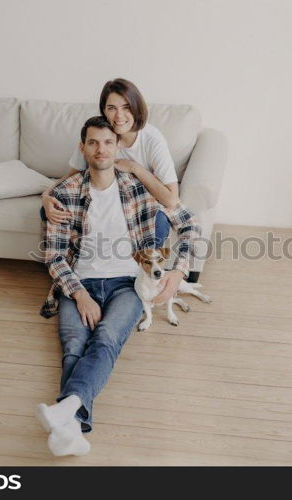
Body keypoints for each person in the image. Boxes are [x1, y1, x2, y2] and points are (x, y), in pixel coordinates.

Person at [36, 116, 200, 457]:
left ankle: (66, 412)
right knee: (73, 343)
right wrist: (79, 294)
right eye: (93, 143)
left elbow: (188, 225)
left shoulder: (138, 189)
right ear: (82, 148)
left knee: (107, 337)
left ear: (118, 146)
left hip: (127, 284)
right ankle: (73, 426)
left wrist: (179, 272)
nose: (101, 149)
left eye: (108, 142)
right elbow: (54, 257)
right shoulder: (66, 193)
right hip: (79, 282)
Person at [40, 78, 179, 228]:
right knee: (48, 211)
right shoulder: (97, 134)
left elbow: (172, 200)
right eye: (112, 108)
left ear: (136, 108)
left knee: (157, 223)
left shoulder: (152, 139)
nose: (119, 115)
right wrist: (46, 196)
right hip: (102, 200)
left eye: (126, 107)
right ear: (104, 111)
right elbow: (73, 175)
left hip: (137, 202)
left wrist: (134, 168)